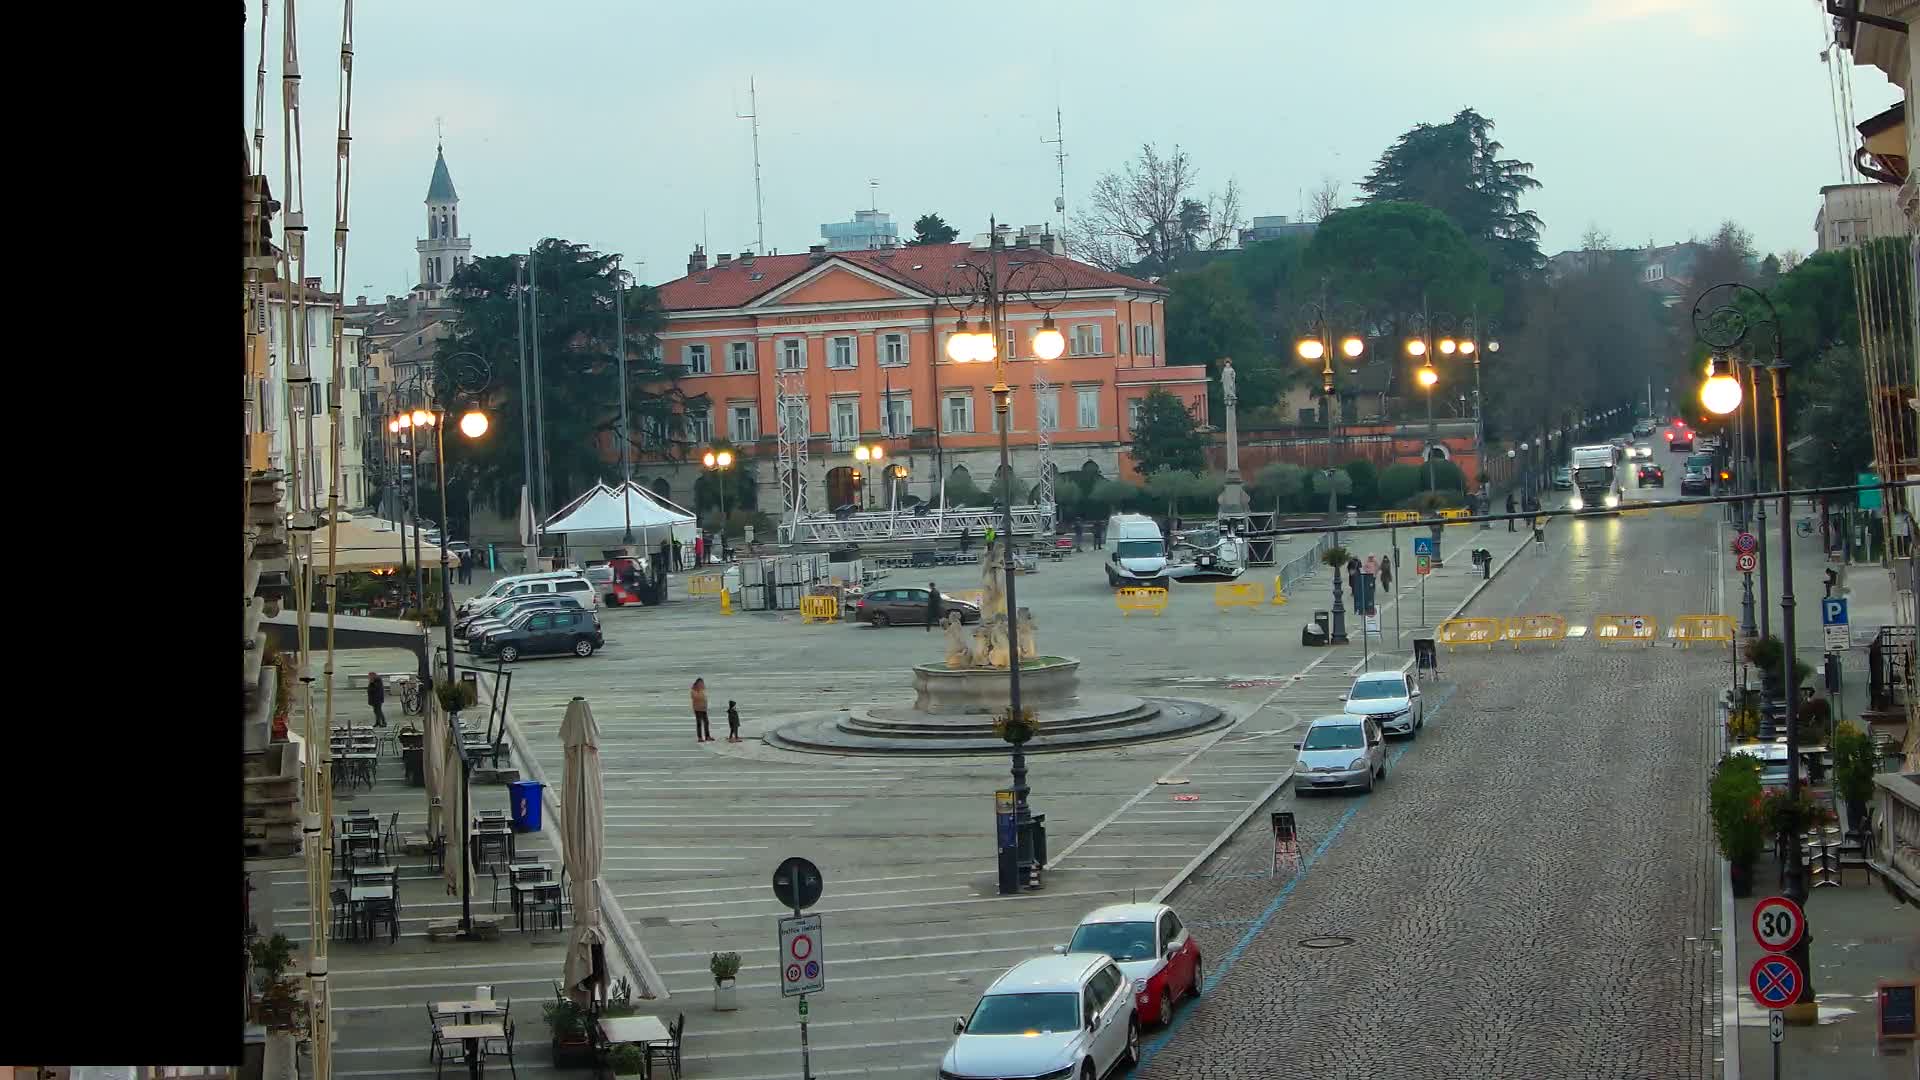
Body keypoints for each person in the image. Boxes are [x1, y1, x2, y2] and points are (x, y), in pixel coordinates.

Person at [691, 678, 712, 742]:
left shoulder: (702, 690)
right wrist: (700, 691)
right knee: (699, 723)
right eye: (700, 683)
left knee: (706, 722)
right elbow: (697, 698)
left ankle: (707, 736)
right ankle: (700, 737)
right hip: (697, 709)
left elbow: (704, 698)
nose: (701, 684)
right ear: (697, 683)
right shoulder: (694, 690)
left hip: (703, 709)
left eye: (702, 683)